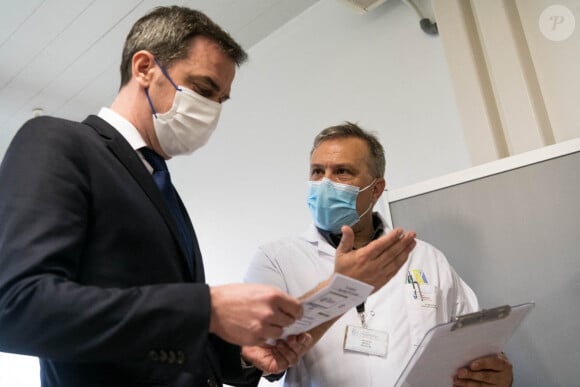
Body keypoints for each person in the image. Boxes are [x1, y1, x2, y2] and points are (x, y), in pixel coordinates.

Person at [0, 6, 313, 387]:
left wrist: (241, 356)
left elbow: (159, 337)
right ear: (145, 67)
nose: (212, 110)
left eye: (221, 100)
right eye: (203, 89)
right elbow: (15, 306)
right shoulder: (58, 141)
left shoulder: (158, 183)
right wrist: (206, 309)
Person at [244, 122, 514, 386]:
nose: (324, 183)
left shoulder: (426, 259)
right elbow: (256, 357)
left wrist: (493, 371)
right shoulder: (276, 260)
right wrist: (341, 288)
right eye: (317, 172)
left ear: (375, 189)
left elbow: (473, 342)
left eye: (342, 172)